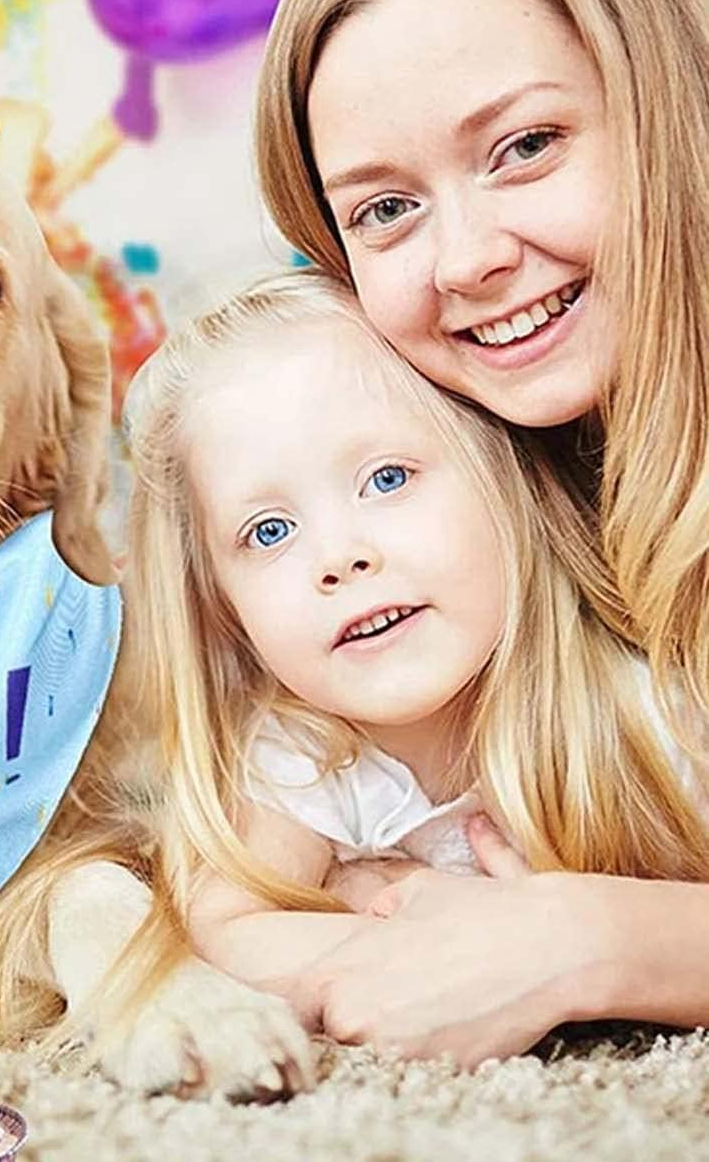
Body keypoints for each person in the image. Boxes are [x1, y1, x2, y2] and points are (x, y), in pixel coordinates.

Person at [252, 0, 709, 1059]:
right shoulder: (470, 515)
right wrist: (381, 911)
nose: (465, 262)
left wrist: (589, 941)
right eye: (385, 209)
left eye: (524, 146)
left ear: (665, 114)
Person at [113, 271, 709, 1065]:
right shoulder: (304, 752)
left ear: (503, 477)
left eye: (386, 479)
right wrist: (395, 943)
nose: (338, 557)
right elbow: (222, 929)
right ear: (222, 610)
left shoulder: (658, 709)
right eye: (267, 532)